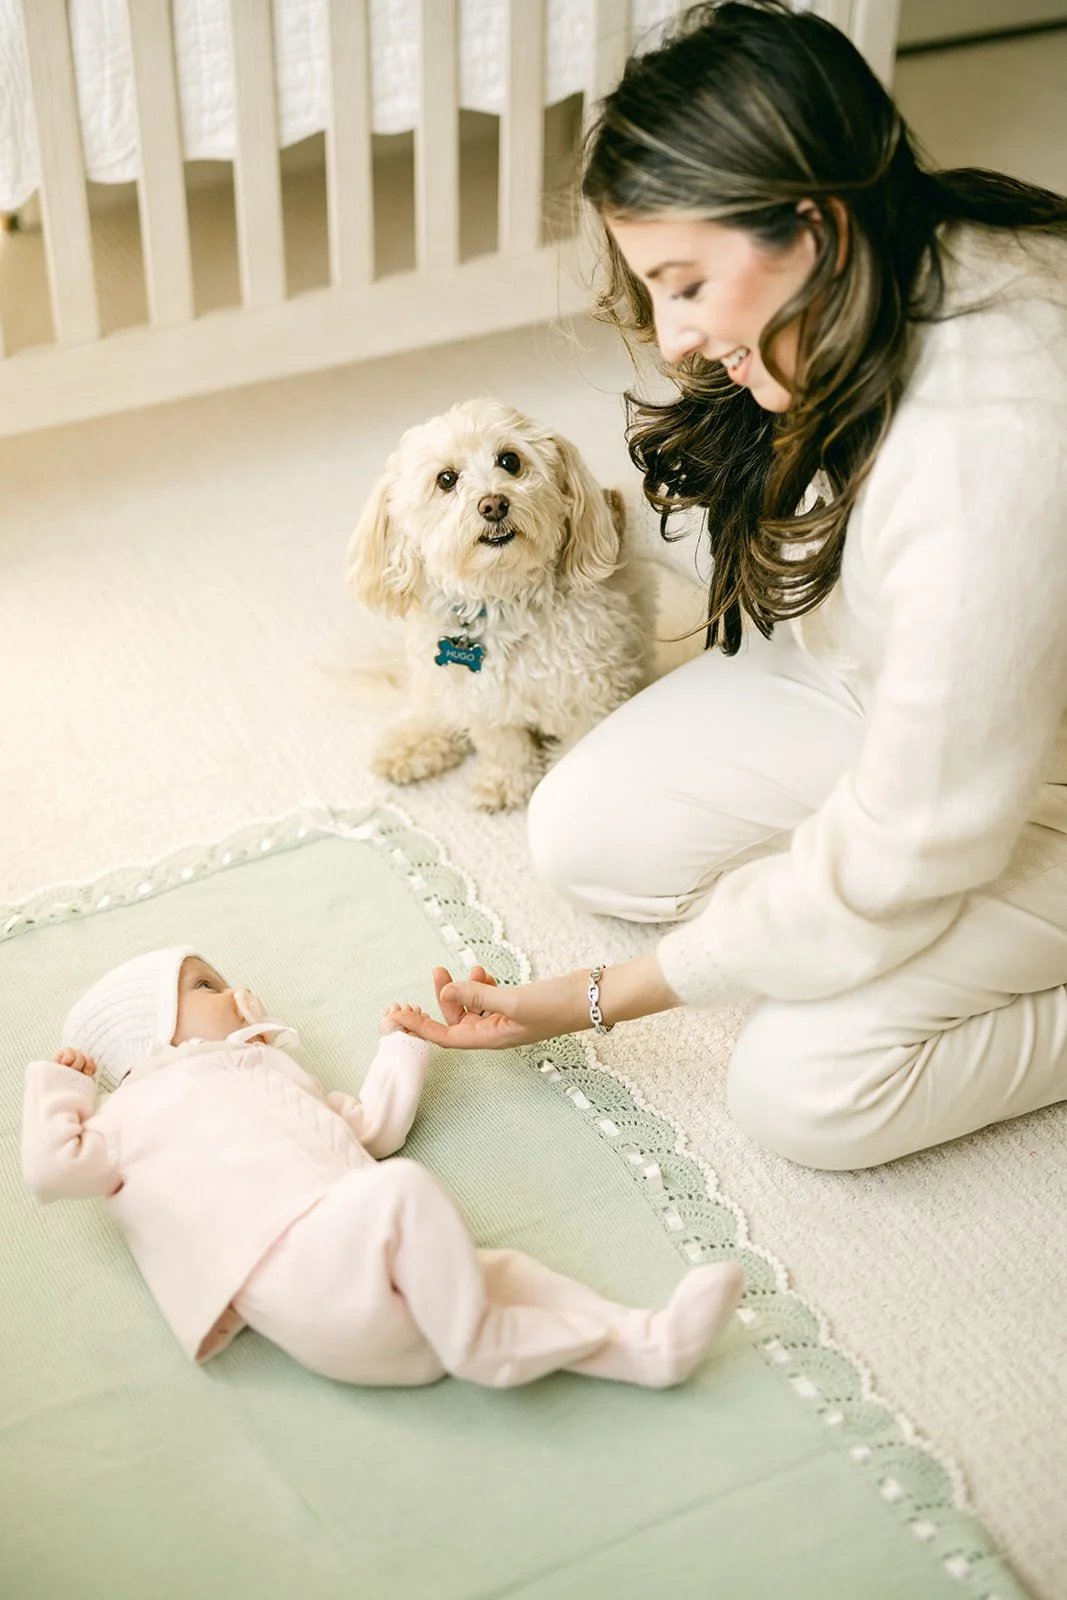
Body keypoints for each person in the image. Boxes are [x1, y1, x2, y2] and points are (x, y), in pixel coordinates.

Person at [394, 1, 1067, 1173]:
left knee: (800, 1090)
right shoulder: (894, 256)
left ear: (810, 224)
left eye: (685, 280)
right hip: (892, 680)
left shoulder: (990, 452)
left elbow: (914, 849)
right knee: (583, 834)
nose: (672, 333)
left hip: (1037, 760)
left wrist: (598, 998)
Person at [20, 947, 744, 1387]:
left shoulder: (276, 1076)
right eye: (207, 987)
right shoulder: (127, 1114)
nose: (238, 994)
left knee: (506, 1272)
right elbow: (55, 1170)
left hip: (387, 1285)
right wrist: (64, 1090)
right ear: (147, 1029)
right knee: (399, 1193)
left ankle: (645, 1346)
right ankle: (488, 1345)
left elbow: (372, 1129)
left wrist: (400, 1047)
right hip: (298, 1279)